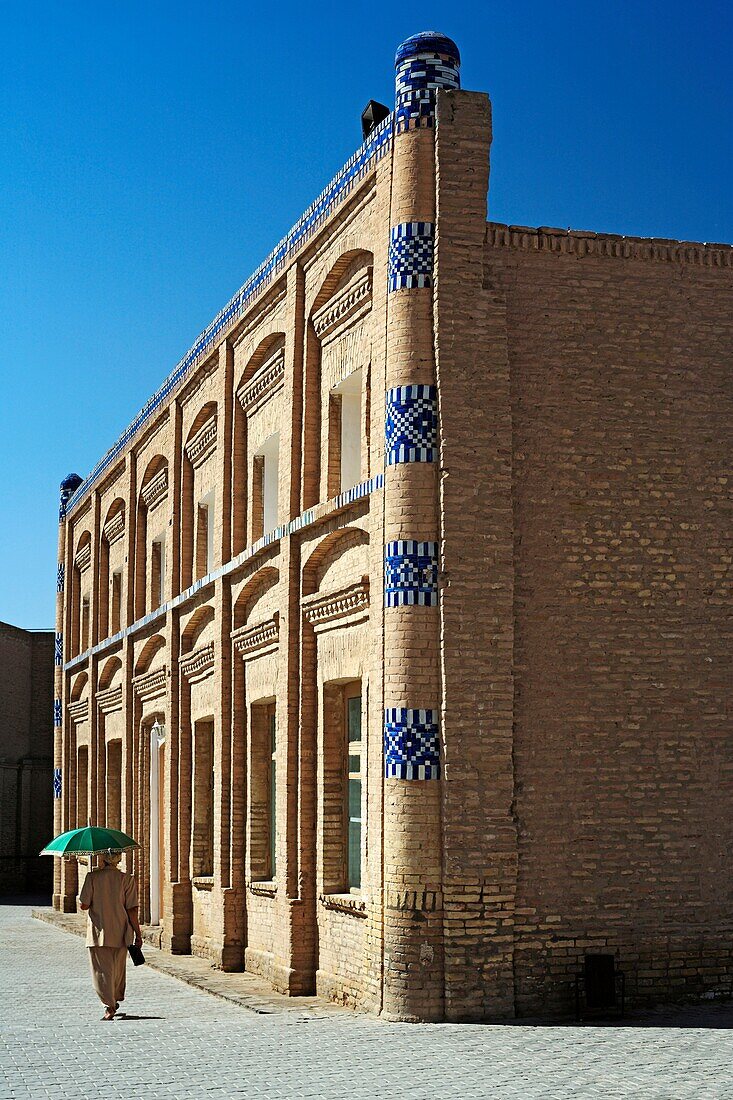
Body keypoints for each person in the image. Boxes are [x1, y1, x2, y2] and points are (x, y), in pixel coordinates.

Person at [78, 850, 142, 1020]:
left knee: (101, 971)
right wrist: (138, 934)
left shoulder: (92, 877)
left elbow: (84, 905)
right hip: (121, 931)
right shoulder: (126, 879)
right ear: (118, 860)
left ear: (102, 859)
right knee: (117, 969)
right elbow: (132, 909)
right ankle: (114, 999)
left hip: (98, 932)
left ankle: (109, 1005)